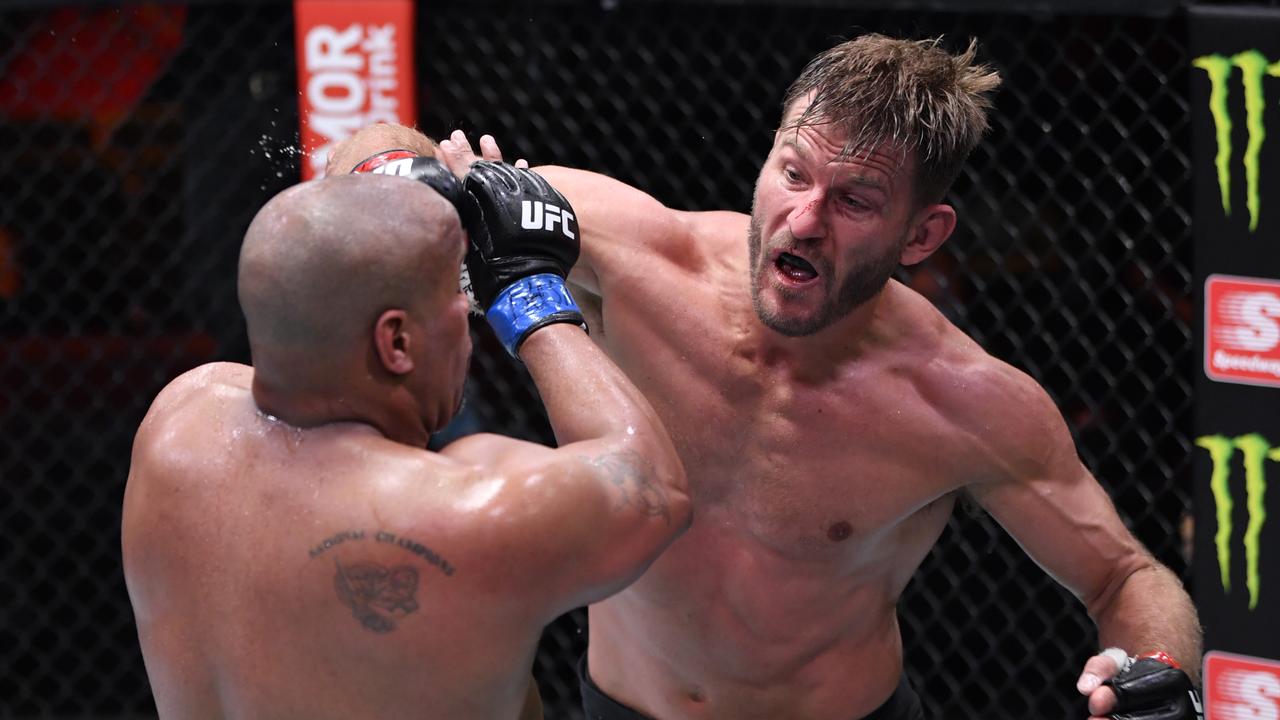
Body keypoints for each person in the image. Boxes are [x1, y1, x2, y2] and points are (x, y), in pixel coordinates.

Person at [437, 33, 1203, 720]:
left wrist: (1158, 671)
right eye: (794, 173)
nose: (805, 220)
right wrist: (426, 183)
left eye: (855, 201)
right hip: (621, 705)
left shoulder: (964, 401)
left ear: (921, 234)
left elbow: (1124, 576)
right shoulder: (642, 259)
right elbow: (386, 165)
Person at [121, 168, 690, 719]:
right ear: (396, 341)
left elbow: (315, 285)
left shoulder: (179, 422)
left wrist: (399, 197)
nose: (470, 325)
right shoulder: (468, 509)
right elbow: (652, 485)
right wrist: (527, 289)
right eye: (459, 301)